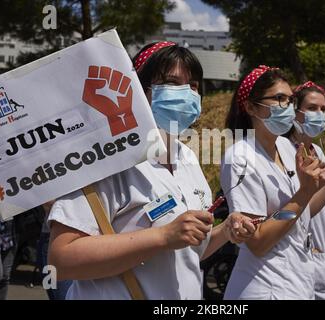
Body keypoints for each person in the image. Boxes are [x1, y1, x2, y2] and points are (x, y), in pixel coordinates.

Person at [48, 41, 256, 300]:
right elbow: (61, 259)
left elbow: (189, 251)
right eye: (171, 82)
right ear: (138, 90)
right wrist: (162, 236)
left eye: (192, 86)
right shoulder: (108, 159)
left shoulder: (187, 157)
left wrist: (225, 231)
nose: (187, 93)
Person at [221, 66, 325, 300]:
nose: (288, 107)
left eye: (290, 99)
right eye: (279, 98)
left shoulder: (286, 148)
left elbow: (301, 212)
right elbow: (258, 240)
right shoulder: (240, 158)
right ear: (251, 107)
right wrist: (304, 192)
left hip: (297, 281)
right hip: (266, 285)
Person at [284, 81, 325, 299]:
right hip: (303, 252)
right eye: (312, 108)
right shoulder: (285, 152)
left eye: (323, 109)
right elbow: (299, 207)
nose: (319, 114)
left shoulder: (317, 150)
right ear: (294, 111)